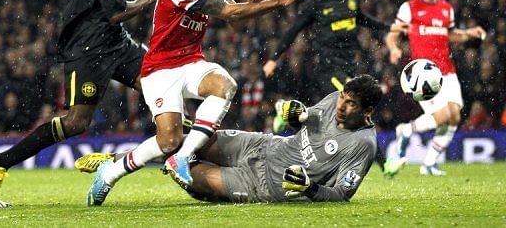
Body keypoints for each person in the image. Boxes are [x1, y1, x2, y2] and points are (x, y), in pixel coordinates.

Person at [85, 0, 310, 206]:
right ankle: (111, 173)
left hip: (190, 62)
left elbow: (235, 20)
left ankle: (182, 156)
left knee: (224, 85)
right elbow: (228, 11)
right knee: (167, 140)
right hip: (159, 68)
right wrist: (280, 2)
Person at [0, 0, 158, 203]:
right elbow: (117, 12)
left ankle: (181, 150)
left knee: (157, 82)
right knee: (76, 123)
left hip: (115, 43)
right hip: (89, 49)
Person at [79, 74, 382, 203]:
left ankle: (125, 162)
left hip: (265, 185)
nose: (341, 106)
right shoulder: (334, 99)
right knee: (186, 141)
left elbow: (342, 194)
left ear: (367, 110)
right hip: (264, 145)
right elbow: (308, 121)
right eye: (342, 97)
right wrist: (296, 114)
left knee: (187, 173)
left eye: (351, 104)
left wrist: (311, 188)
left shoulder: (363, 145)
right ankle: (118, 162)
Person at [384, 0, 487, 176]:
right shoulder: (409, 8)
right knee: (442, 115)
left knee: (455, 117)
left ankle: (428, 163)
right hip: (423, 73)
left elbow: (450, 35)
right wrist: (394, 49)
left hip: (447, 70)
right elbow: (392, 34)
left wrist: (469, 33)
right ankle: (405, 130)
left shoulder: (446, 8)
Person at [263, 0, 408, 97]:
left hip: (350, 63)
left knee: (343, 111)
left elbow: (362, 19)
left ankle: (291, 118)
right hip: (328, 67)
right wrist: (273, 59)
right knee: (353, 99)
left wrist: (389, 27)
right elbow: (293, 31)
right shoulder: (315, 4)